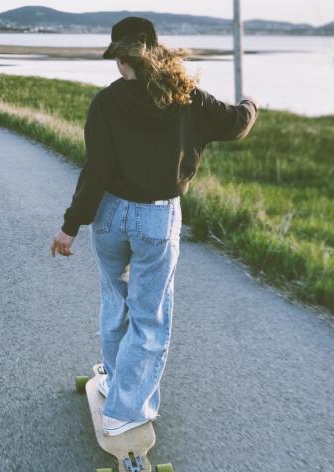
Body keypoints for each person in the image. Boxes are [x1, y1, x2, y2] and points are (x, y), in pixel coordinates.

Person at [50, 16, 258, 436]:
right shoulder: (188, 98)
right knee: (150, 314)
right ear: (155, 52)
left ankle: (113, 379)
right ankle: (126, 409)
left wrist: (70, 227)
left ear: (119, 58)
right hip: (157, 218)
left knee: (115, 298)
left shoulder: (106, 102)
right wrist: (251, 102)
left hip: (110, 216)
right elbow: (238, 123)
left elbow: (97, 171)